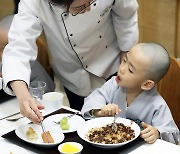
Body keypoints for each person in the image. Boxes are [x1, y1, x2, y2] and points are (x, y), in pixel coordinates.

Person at [2, 0, 139, 123]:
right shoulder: (35, 3)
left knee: (120, 125)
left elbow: (126, 14)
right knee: (83, 125)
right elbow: (19, 48)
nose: (89, 9)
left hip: (112, 62)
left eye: (92, 1)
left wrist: (127, 52)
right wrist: (23, 95)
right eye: (80, 7)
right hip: (73, 72)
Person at [81, 43, 179, 144]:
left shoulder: (157, 105)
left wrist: (157, 132)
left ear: (146, 84)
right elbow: (94, 98)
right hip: (108, 142)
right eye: (124, 60)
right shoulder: (114, 85)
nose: (122, 69)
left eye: (130, 70)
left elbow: (172, 134)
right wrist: (100, 111)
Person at [0, 15, 55, 92]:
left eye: (8, 50)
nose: (3, 55)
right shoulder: (3, 64)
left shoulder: (32, 67)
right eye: (1, 49)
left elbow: (43, 93)